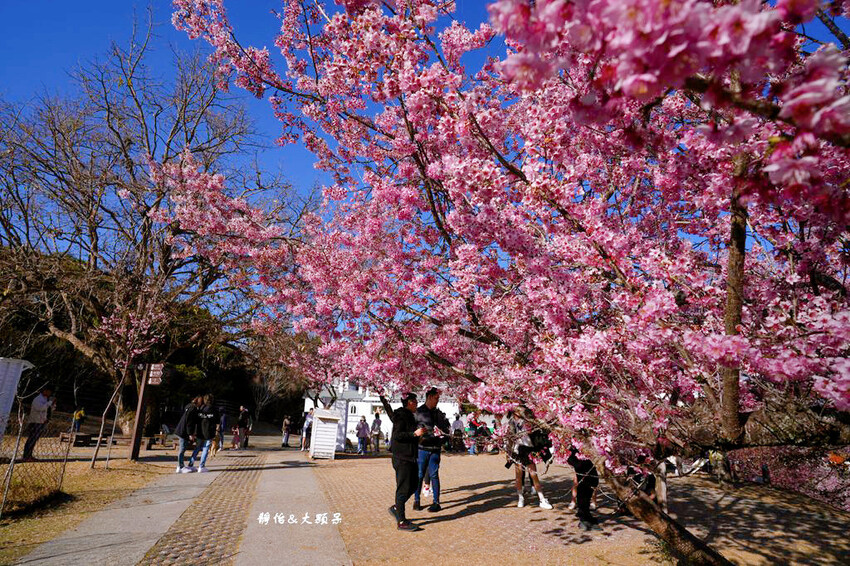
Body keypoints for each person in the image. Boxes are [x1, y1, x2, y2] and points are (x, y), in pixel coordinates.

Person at [389, 392, 426, 531]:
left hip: (410, 456)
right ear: (409, 402)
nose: (417, 404)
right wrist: (414, 434)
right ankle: (401, 521)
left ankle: (397, 507)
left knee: (415, 485)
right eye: (415, 402)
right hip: (402, 458)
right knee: (403, 488)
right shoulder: (401, 415)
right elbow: (397, 436)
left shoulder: (410, 416)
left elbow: (409, 436)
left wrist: (419, 437)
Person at [413, 387, 451, 512]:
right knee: (419, 475)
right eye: (436, 398)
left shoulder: (439, 413)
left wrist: (442, 439)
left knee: (434, 475)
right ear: (429, 397)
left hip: (435, 448)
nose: (437, 401)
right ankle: (416, 500)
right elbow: (413, 431)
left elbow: (446, 430)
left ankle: (436, 502)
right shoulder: (418, 413)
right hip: (422, 449)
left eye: (438, 398)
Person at [506, 411, 553, 510]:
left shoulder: (527, 420)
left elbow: (533, 432)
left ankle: (541, 499)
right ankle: (520, 498)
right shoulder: (511, 422)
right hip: (518, 450)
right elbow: (509, 438)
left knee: (533, 474)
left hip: (528, 449)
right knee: (518, 475)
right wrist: (508, 452)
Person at [568, 446, 600, 529]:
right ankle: (583, 518)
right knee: (583, 485)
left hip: (582, 452)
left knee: (592, 480)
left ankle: (585, 513)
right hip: (576, 454)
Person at [22, 385, 55, 462]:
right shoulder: (38, 399)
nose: (50, 393)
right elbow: (40, 408)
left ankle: (29, 455)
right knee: (31, 439)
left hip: (41, 421)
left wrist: (52, 404)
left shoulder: (46, 399)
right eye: (49, 391)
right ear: (45, 391)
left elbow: (48, 409)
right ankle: (26, 456)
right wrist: (49, 403)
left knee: (34, 439)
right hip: (35, 422)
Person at [187, 394, 220, 473]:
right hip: (209, 432)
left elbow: (196, 420)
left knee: (197, 448)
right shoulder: (215, 410)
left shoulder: (201, 408)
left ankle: (190, 464)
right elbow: (218, 422)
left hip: (200, 431)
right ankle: (201, 466)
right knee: (205, 448)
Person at [175, 396, 202, 473]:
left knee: (183, 448)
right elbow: (189, 422)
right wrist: (190, 433)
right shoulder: (193, 409)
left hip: (181, 430)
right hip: (184, 431)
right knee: (182, 449)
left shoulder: (189, 406)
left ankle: (181, 466)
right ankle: (180, 466)